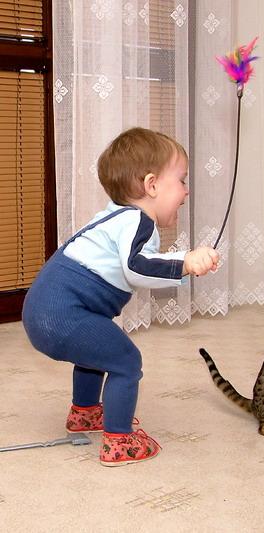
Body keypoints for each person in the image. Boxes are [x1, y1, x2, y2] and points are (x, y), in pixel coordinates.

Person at [22, 127, 219, 467]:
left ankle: (85, 413)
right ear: (152, 185)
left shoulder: (117, 216)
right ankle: (118, 440)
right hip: (61, 313)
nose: (186, 191)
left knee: (98, 350)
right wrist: (185, 262)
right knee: (125, 360)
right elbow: (136, 267)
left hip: (46, 309)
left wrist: (180, 263)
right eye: (181, 180)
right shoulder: (138, 221)